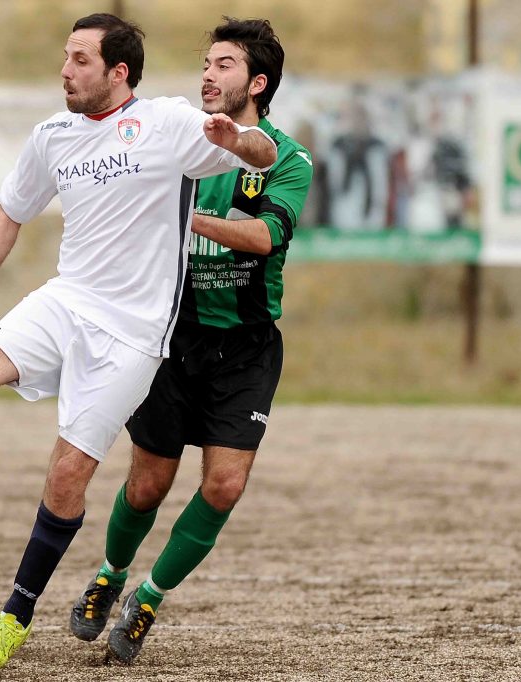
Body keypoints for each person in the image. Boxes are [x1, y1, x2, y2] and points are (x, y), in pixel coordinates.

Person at [0, 13, 277, 676]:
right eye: (65, 57)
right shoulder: (52, 136)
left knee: (68, 474)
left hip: (133, 334)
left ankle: (14, 616)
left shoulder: (168, 122)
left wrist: (236, 138)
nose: (65, 71)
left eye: (80, 60)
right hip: (68, 298)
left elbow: (261, 153)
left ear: (118, 72)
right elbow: (10, 207)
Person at [69, 17, 313, 665]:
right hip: (172, 340)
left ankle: (148, 597)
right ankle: (110, 574)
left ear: (257, 84)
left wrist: (185, 219)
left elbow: (264, 237)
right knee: (147, 485)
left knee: (225, 486)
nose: (208, 74)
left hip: (246, 349)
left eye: (224, 65)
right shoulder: (177, 141)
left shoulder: (288, 159)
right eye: (206, 63)